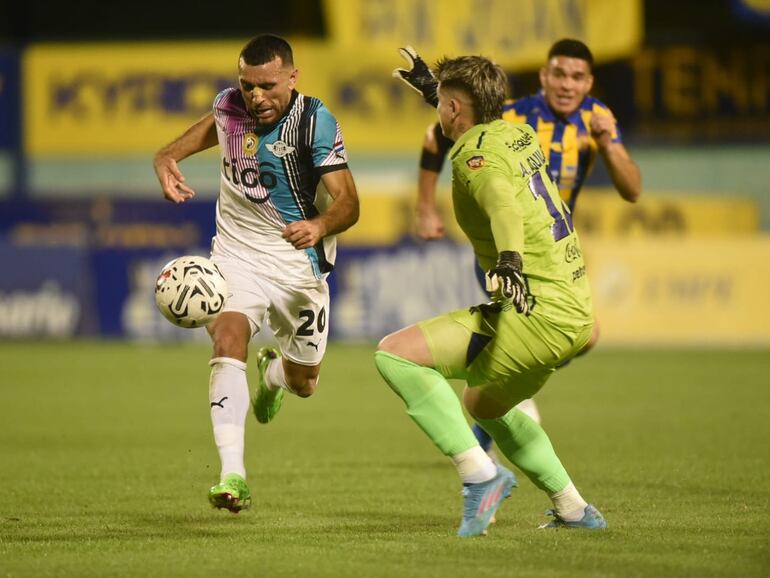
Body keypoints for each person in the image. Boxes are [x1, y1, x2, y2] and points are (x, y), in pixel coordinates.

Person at [377, 51, 607, 537]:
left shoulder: (471, 156)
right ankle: (573, 509)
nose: (439, 110)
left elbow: (500, 200)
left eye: (442, 103)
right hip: (574, 313)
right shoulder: (515, 131)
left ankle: (480, 476)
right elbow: (475, 130)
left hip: (534, 312)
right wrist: (434, 91)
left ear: (455, 109)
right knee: (484, 405)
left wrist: (509, 260)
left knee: (396, 356)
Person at [153, 34, 360, 513]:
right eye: (247, 85)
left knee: (305, 381)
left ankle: (273, 379)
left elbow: (349, 201)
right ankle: (232, 474)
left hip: (298, 270)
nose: (256, 97)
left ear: (292, 77)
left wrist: (320, 224)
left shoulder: (316, 122)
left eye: (267, 86)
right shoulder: (231, 107)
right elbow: (211, 129)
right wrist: (165, 157)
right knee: (227, 338)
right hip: (236, 257)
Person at [403, 39, 641, 446]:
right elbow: (441, 136)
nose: (567, 84)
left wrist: (610, 145)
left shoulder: (597, 119)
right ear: (544, 77)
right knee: (551, 337)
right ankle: (491, 438)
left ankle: (501, 405)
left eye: (577, 77)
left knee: (585, 335)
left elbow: (633, 190)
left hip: (556, 248)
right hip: (508, 250)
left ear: (589, 83)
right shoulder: (514, 113)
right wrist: (426, 207)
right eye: (559, 74)